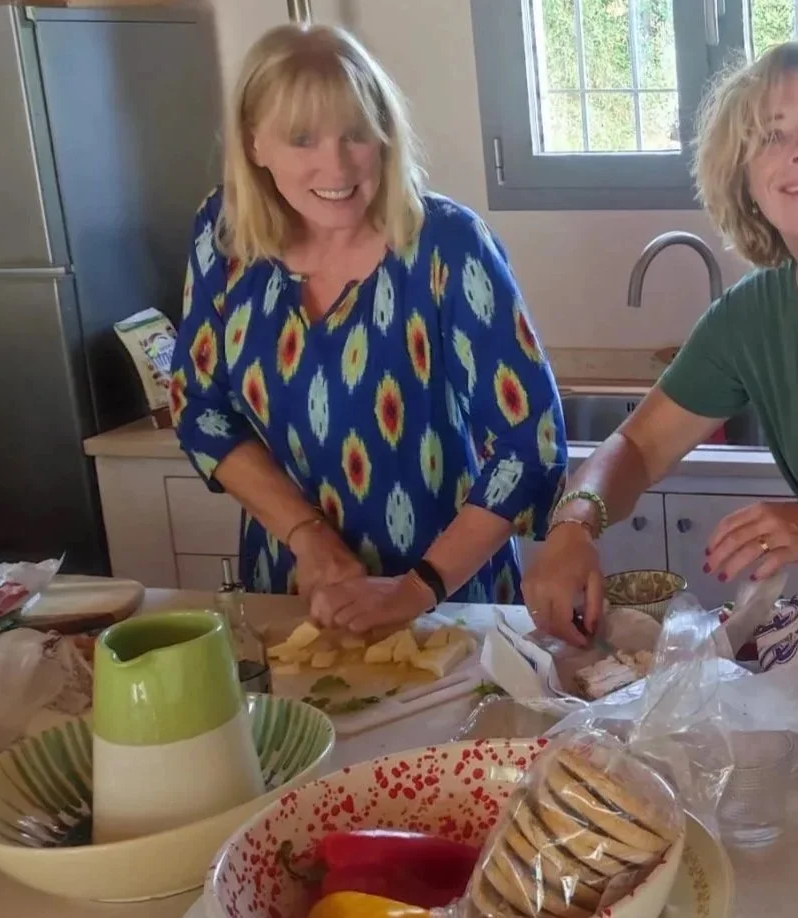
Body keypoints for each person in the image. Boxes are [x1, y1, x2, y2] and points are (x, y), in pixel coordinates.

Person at [170, 23, 566, 633]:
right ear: (255, 144)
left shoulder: (448, 246)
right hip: (294, 592)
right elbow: (200, 409)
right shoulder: (223, 236)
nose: (336, 164)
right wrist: (307, 536)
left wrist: (415, 590)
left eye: (356, 133)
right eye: (302, 138)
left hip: (449, 605)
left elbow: (529, 448)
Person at [523, 42, 798, 647]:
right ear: (746, 178)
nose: (795, 153)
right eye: (772, 136)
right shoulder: (751, 317)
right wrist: (574, 523)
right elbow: (639, 445)